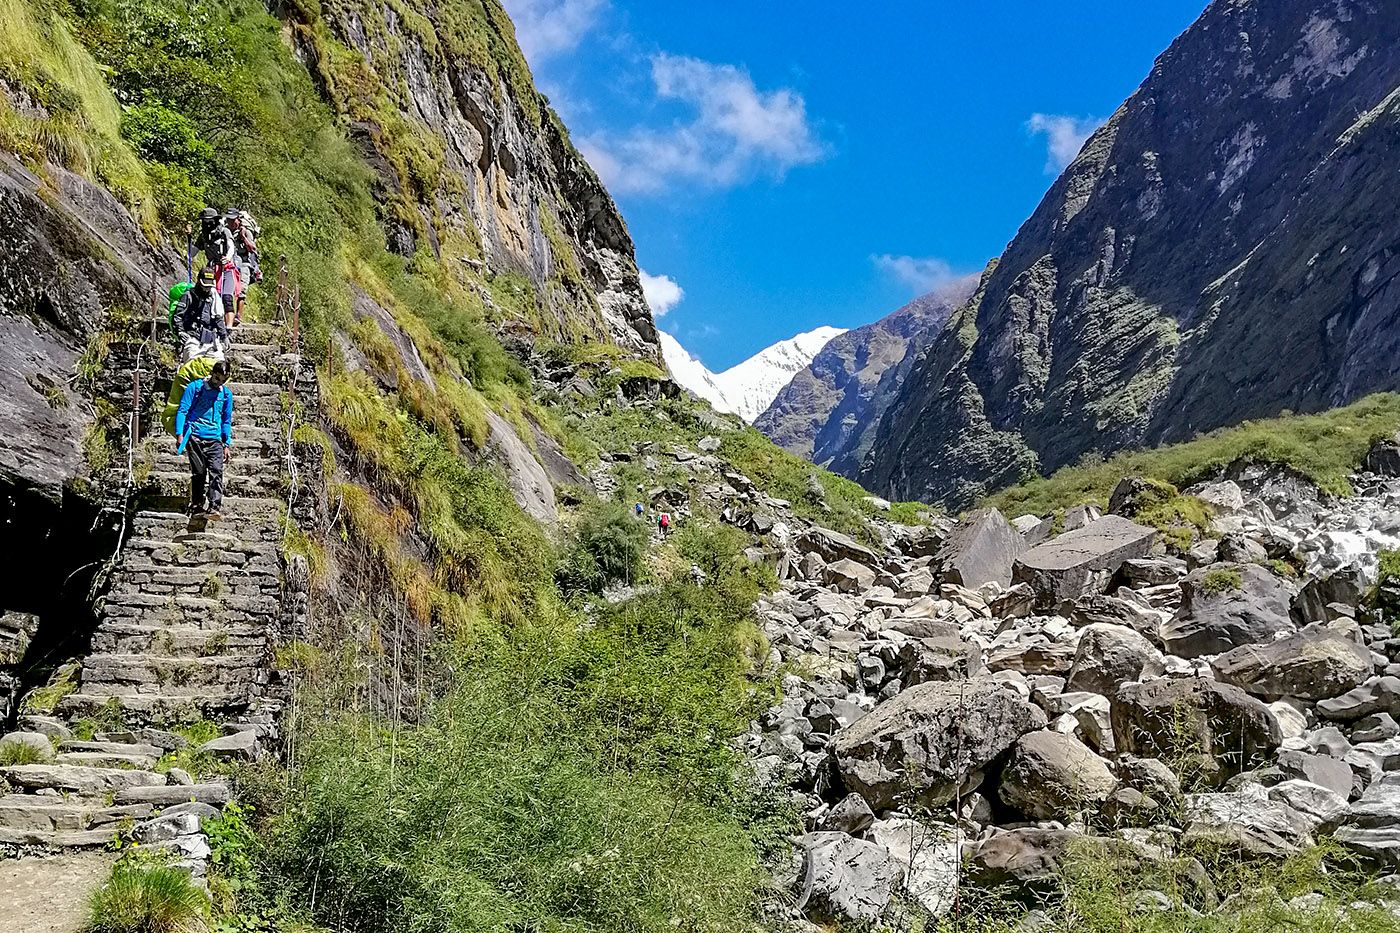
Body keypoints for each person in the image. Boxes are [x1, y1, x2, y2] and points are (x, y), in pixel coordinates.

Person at [175, 359, 234, 519]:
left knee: (216, 471)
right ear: (212, 374)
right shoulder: (195, 388)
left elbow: (226, 420)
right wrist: (180, 434)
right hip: (194, 435)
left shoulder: (226, 395)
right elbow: (182, 410)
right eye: (217, 378)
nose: (218, 383)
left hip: (215, 438)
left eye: (223, 380)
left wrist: (226, 443)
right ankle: (197, 504)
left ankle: (214, 507)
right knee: (199, 472)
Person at [193, 207, 240, 328]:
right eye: (204, 221)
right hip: (212, 270)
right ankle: (214, 324)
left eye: (209, 221)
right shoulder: (203, 236)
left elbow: (231, 246)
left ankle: (228, 327)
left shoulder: (224, 232)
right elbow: (193, 251)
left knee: (226, 296)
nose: (207, 224)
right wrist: (187, 251)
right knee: (213, 296)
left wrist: (228, 258)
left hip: (226, 268)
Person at [174, 264, 228, 363]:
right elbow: (178, 316)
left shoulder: (213, 297)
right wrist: (180, 332)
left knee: (219, 366)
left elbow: (218, 318)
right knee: (192, 366)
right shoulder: (188, 296)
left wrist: (224, 336)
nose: (207, 289)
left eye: (209, 286)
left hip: (211, 340)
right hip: (193, 339)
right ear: (199, 281)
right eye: (205, 286)